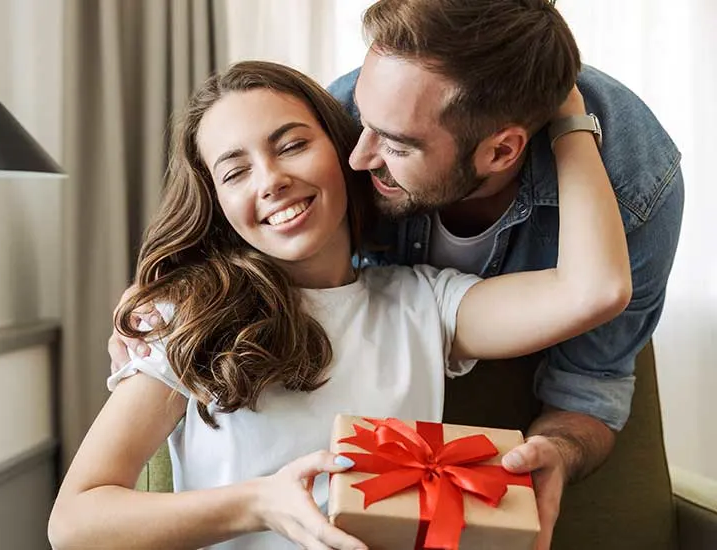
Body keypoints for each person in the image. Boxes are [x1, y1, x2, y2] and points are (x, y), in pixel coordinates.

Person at [111, 2, 684, 547]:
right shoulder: (190, 318)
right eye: (235, 172)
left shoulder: (427, 303)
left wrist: (566, 109)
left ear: (501, 150)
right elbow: (79, 519)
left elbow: (595, 300)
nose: (359, 156)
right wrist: (166, 278)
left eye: (294, 146)